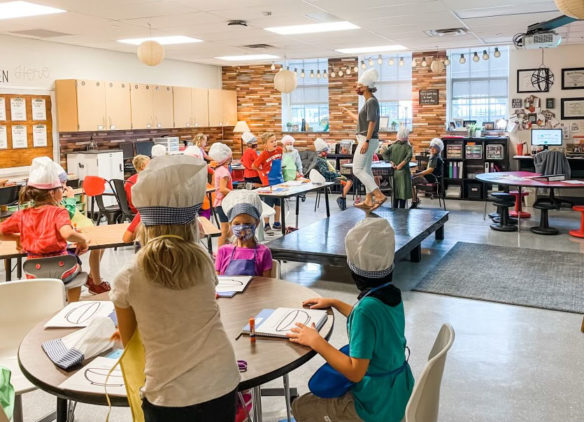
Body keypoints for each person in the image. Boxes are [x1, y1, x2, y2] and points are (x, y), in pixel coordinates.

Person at [110, 155, 240, 422]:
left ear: (144, 227)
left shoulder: (128, 277)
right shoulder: (204, 263)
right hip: (221, 380)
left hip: (169, 393)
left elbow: (131, 342)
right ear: (192, 224)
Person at [289, 217, 414, 422]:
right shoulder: (391, 295)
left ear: (354, 270)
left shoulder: (366, 309)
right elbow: (371, 323)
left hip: (373, 408)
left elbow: (355, 372)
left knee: (301, 406)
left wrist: (316, 341)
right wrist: (336, 303)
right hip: (396, 393)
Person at [0, 157, 90, 302]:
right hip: (62, 268)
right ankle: (73, 304)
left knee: (44, 283)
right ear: (52, 193)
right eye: (60, 188)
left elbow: (1, 232)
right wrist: (84, 240)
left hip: (33, 272)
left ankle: (45, 305)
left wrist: (17, 238)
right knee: (78, 272)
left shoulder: (22, 215)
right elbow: (67, 233)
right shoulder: (59, 212)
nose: (63, 189)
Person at [56, 163, 110, 295]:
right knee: (97, 247)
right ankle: (96, 282)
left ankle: (92, 278)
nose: (65, 187)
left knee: (100, 245)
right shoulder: (57, 204)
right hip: (69, 241)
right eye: (62, 184)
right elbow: (66, 216)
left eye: (65, 183)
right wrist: (71, 199)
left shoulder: (60, 200)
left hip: (82, 231)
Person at [342, 68, 387, 211]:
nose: (356, 88)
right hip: (367, 139)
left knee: (357, 170)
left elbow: (372, 122)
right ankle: (368, 200)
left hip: (367, 140)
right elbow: (365, 122)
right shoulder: (368, 102)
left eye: (359, 86)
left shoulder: (371, 102)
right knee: (366, 170)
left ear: (366, 86)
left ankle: (378, 195)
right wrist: (349, 113)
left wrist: (366, 141)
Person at [215, 190, 272, 276]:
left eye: (247, 224)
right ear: (230, 224)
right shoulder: (223, 251)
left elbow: (267, 284)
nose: (241, 228)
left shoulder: (264, 252)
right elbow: (217, 282)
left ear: (256, 223)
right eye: (237, 224)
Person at [252, 132, 283, 235]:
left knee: (278, 204)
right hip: (268, 183)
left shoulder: (279, 150)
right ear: (265, 144)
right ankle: (266, 225)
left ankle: (277, 223)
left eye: (275, 140)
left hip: (279, 181)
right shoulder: (263, 154)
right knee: (268, 204)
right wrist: (262, 172)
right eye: (272, 141)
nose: (275, 143)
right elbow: (254, 165)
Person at [313, 138, 353, 211]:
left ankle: (342, 198)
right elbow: (325, 172)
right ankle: (342, 199)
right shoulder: (321, 161)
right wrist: (336, 174)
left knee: (349, 181)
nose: (327, 152)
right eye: (325, 151)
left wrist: (337, 172)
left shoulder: (323, 159)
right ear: (321, 152)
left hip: (332, 176)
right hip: (328, 179)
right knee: (349, 182)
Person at [382, 126, 413, 208]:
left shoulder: (393, 145)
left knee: (395, 192)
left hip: (394, 172)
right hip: (404, 173)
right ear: (406, 136)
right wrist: (401, 165)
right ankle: (402, 210)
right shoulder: (408, 147)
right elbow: (409, 157)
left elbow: (384, 154)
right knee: (403, 193)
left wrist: (390, 162)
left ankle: (394, 209)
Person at [209, 142, 233, 247]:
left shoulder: (218, 169)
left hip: (220, 202)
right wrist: (237, 193)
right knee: (224, 229)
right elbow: (223, 189)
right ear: (227, 159)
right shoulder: (224, 172)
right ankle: (220, 253)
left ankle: (225, 248)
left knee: (228, 228)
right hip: (223, 203)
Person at [411, 138, 444, 208]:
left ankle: (415, 201)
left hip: (431, 179)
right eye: (431, 148)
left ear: (439, 149)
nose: (432, 149)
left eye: (434, 148)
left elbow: (430, 170)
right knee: (411, 178)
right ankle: (415, 200)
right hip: (433, 178)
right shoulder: (437, 156)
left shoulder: (435, 158)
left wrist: (418, 174)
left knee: (409, 181)